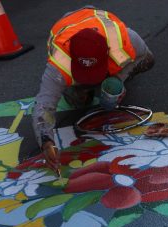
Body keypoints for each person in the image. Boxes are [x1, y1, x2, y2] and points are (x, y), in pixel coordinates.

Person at [32, 6, 155, 173]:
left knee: (148, 61)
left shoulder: (125, 40)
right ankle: (78, 90)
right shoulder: (60, 64)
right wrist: (46, 141)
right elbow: (44, 104)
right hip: (69, 27)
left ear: (107, 53)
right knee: (79, 101)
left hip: (95, 25)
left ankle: (103, 80)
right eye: (86, 73)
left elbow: (142, 55)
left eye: (93, 72)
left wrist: (118, 79)